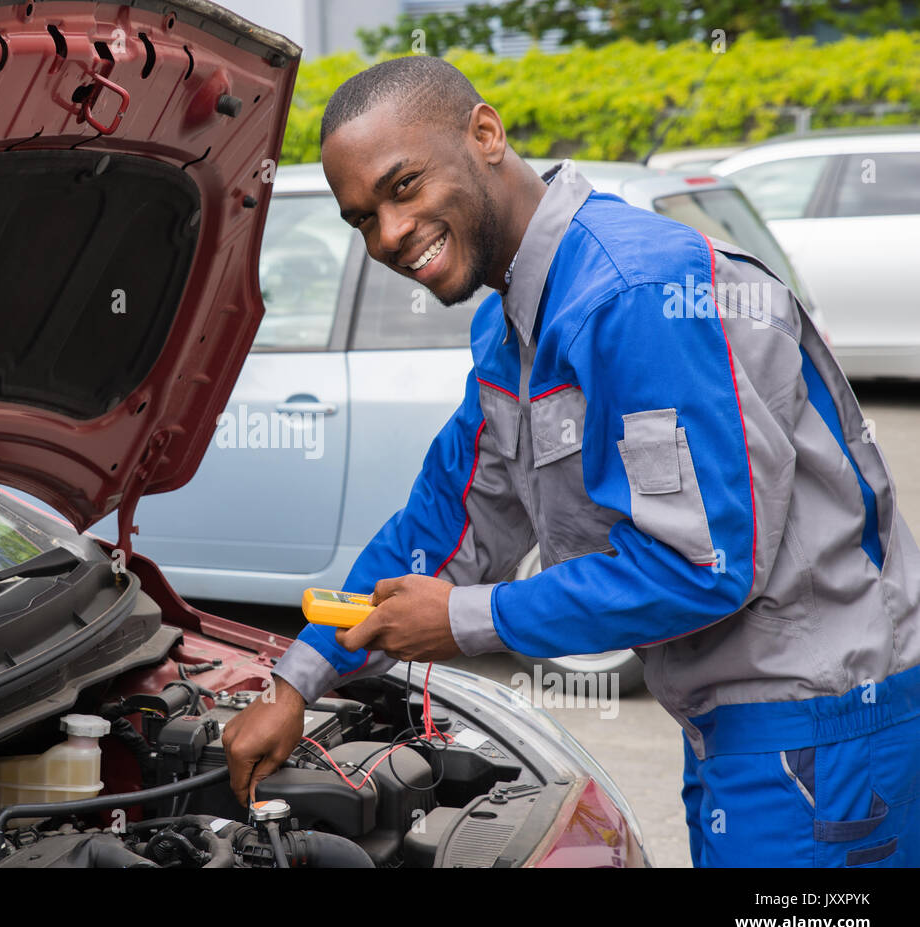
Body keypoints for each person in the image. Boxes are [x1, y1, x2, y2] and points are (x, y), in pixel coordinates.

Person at [221, 55, 920, 867]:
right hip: (736, 727)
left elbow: (705, 565)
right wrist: (295, 680)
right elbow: (443, 530)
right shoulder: (510, 332)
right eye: (361, 219)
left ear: (485, 133)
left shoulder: (637, 292)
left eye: (402, 186)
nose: (388, 234)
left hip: (821, 732)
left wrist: (463, 619)